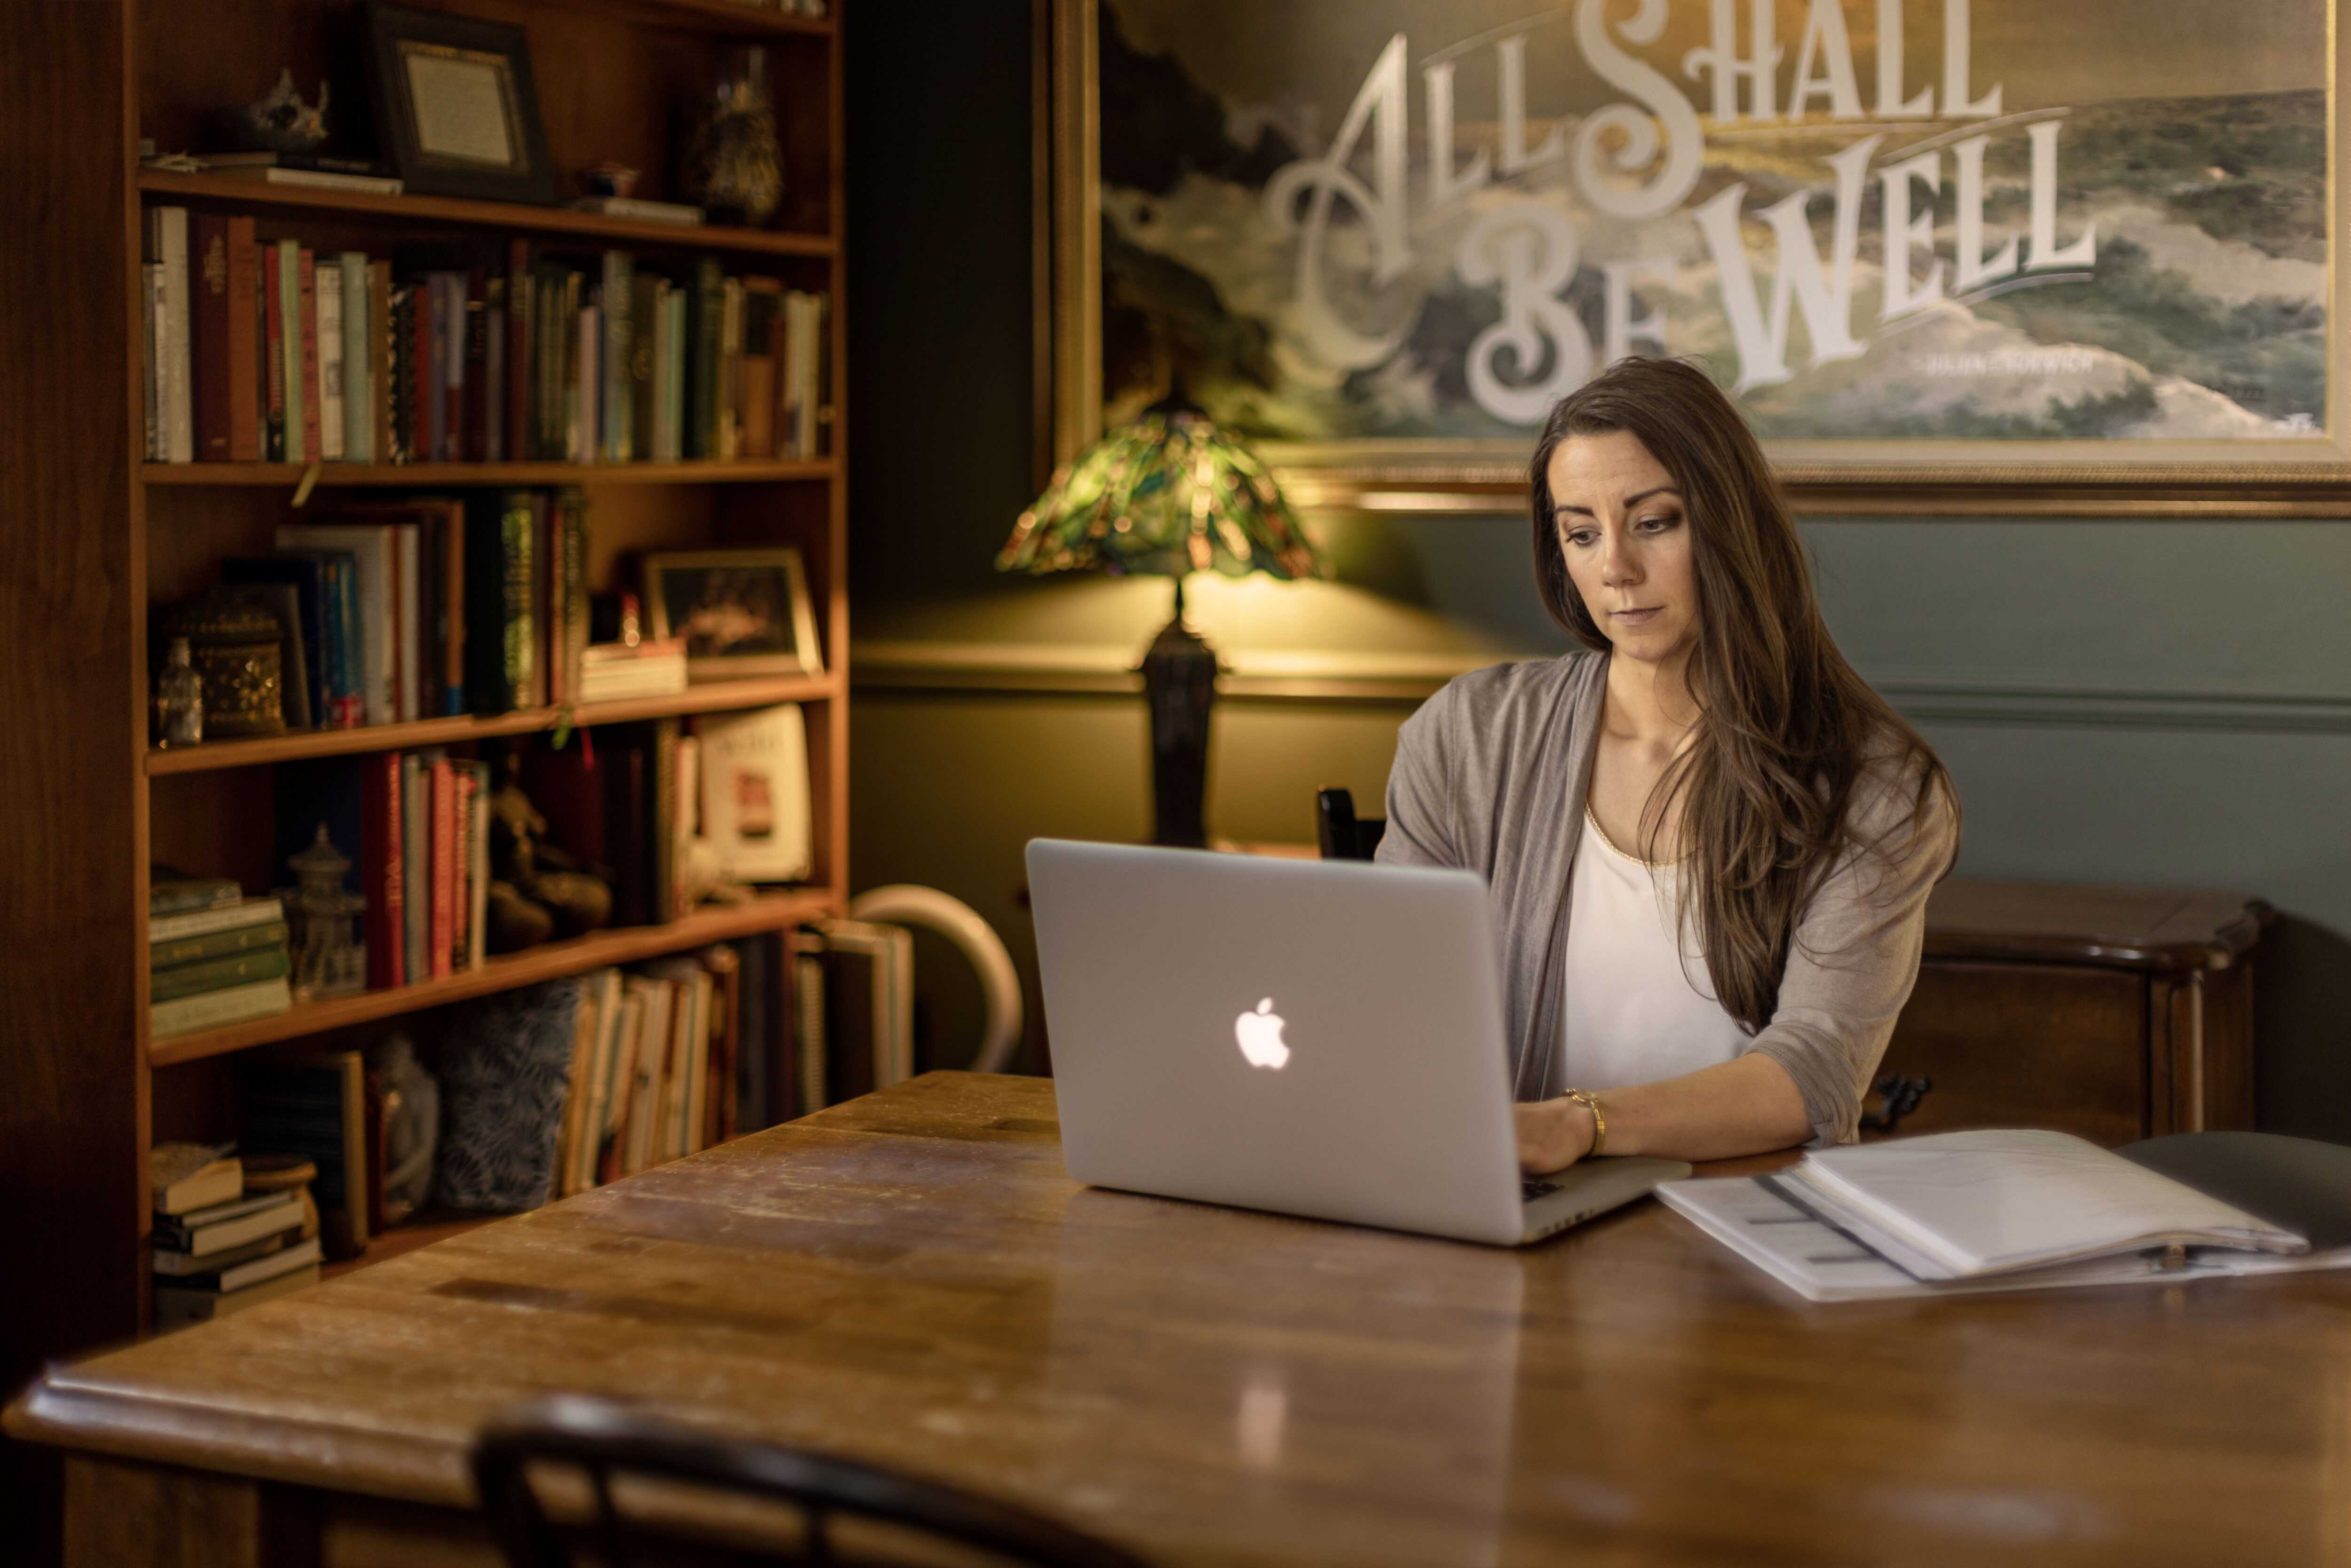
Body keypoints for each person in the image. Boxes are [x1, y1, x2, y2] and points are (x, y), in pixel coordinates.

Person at [1376, 357, 1958, 1173]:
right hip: (1513, 1212)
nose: (1614, 567)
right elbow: (1389, 1008)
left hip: (1745, 1229)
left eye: (1653, 522)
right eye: (1581, 533)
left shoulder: (1876, 787)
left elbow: (1816, 1070)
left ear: (1728, 524)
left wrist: (1576, 1126)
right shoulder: (1466, 737)